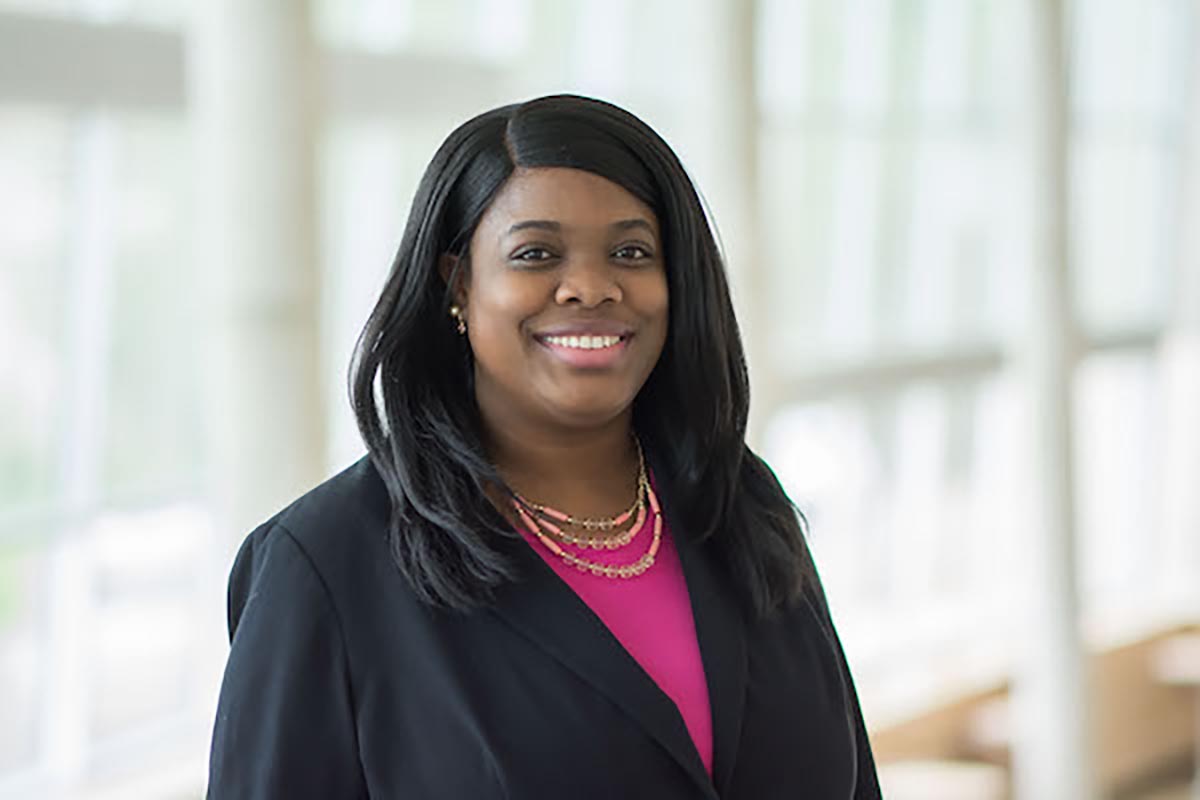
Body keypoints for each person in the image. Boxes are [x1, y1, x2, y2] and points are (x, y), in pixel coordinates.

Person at [206, 94, 881, 799]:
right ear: (456, 283)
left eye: (630, 252)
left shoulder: (739, 501)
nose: (590, 286)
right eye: (535, 253)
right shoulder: (324, 566)